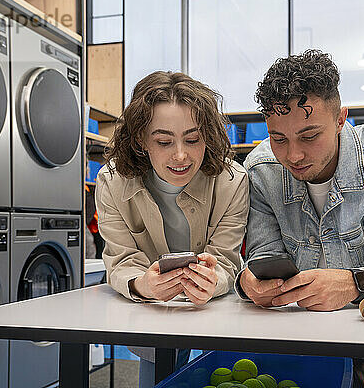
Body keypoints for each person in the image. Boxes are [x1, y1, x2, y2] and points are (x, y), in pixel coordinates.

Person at [238, 49, 364, 310]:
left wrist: (354, 283)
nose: (294, 155)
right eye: (278, 139)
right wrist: (250, 282)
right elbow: (264, 255)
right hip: (290, 324)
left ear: (340, 119)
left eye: (309, 136)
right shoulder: (260, 170)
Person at [95, 71, 249, 387]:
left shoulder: (233, 181)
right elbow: (121, 261)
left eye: (193, 139)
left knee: (220, 376)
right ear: (140, 139)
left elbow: (227, 260)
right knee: (156, 376)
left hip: (213, 315)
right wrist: (142, 286)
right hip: (150, 314)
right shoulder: (112, 182)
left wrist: (214, 280)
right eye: (163, 141)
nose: (180, 155)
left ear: (208, 135)